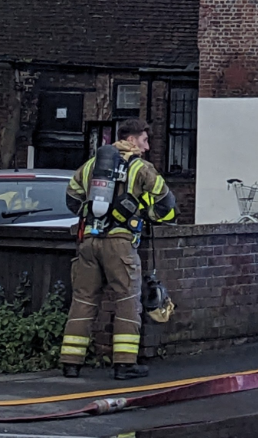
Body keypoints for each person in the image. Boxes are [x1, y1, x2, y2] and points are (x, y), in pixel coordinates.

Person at [59, 119, 177, 379]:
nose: (146, 147)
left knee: (83, 300)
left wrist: (91, 216)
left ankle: (70, 363)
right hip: (120, 244)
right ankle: (124, 365)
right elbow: (167, 203)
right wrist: (146, 215)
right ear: (132, 140)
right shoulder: (140, 168)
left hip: (88, 242)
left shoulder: (90, 166)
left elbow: (71, 197)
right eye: (144, 141)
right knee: (126, 301)